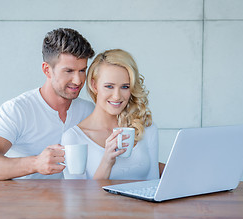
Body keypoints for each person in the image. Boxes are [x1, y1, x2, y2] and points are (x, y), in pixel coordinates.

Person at [0, 28, 95, 180]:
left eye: (82, 70)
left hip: (74, 201)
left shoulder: (90, 111)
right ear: (47, 70)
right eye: (69, 71)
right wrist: (36, 163)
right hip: (23, 202)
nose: (78, 80)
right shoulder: (17, 110)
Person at [61, 49, 165, 180]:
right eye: (109, 86)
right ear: (94, 85)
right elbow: (76, 197)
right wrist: (106, 162)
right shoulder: (73, 138)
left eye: (125, 87)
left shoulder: (147, 129)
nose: (117, 96)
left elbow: (153, 184)